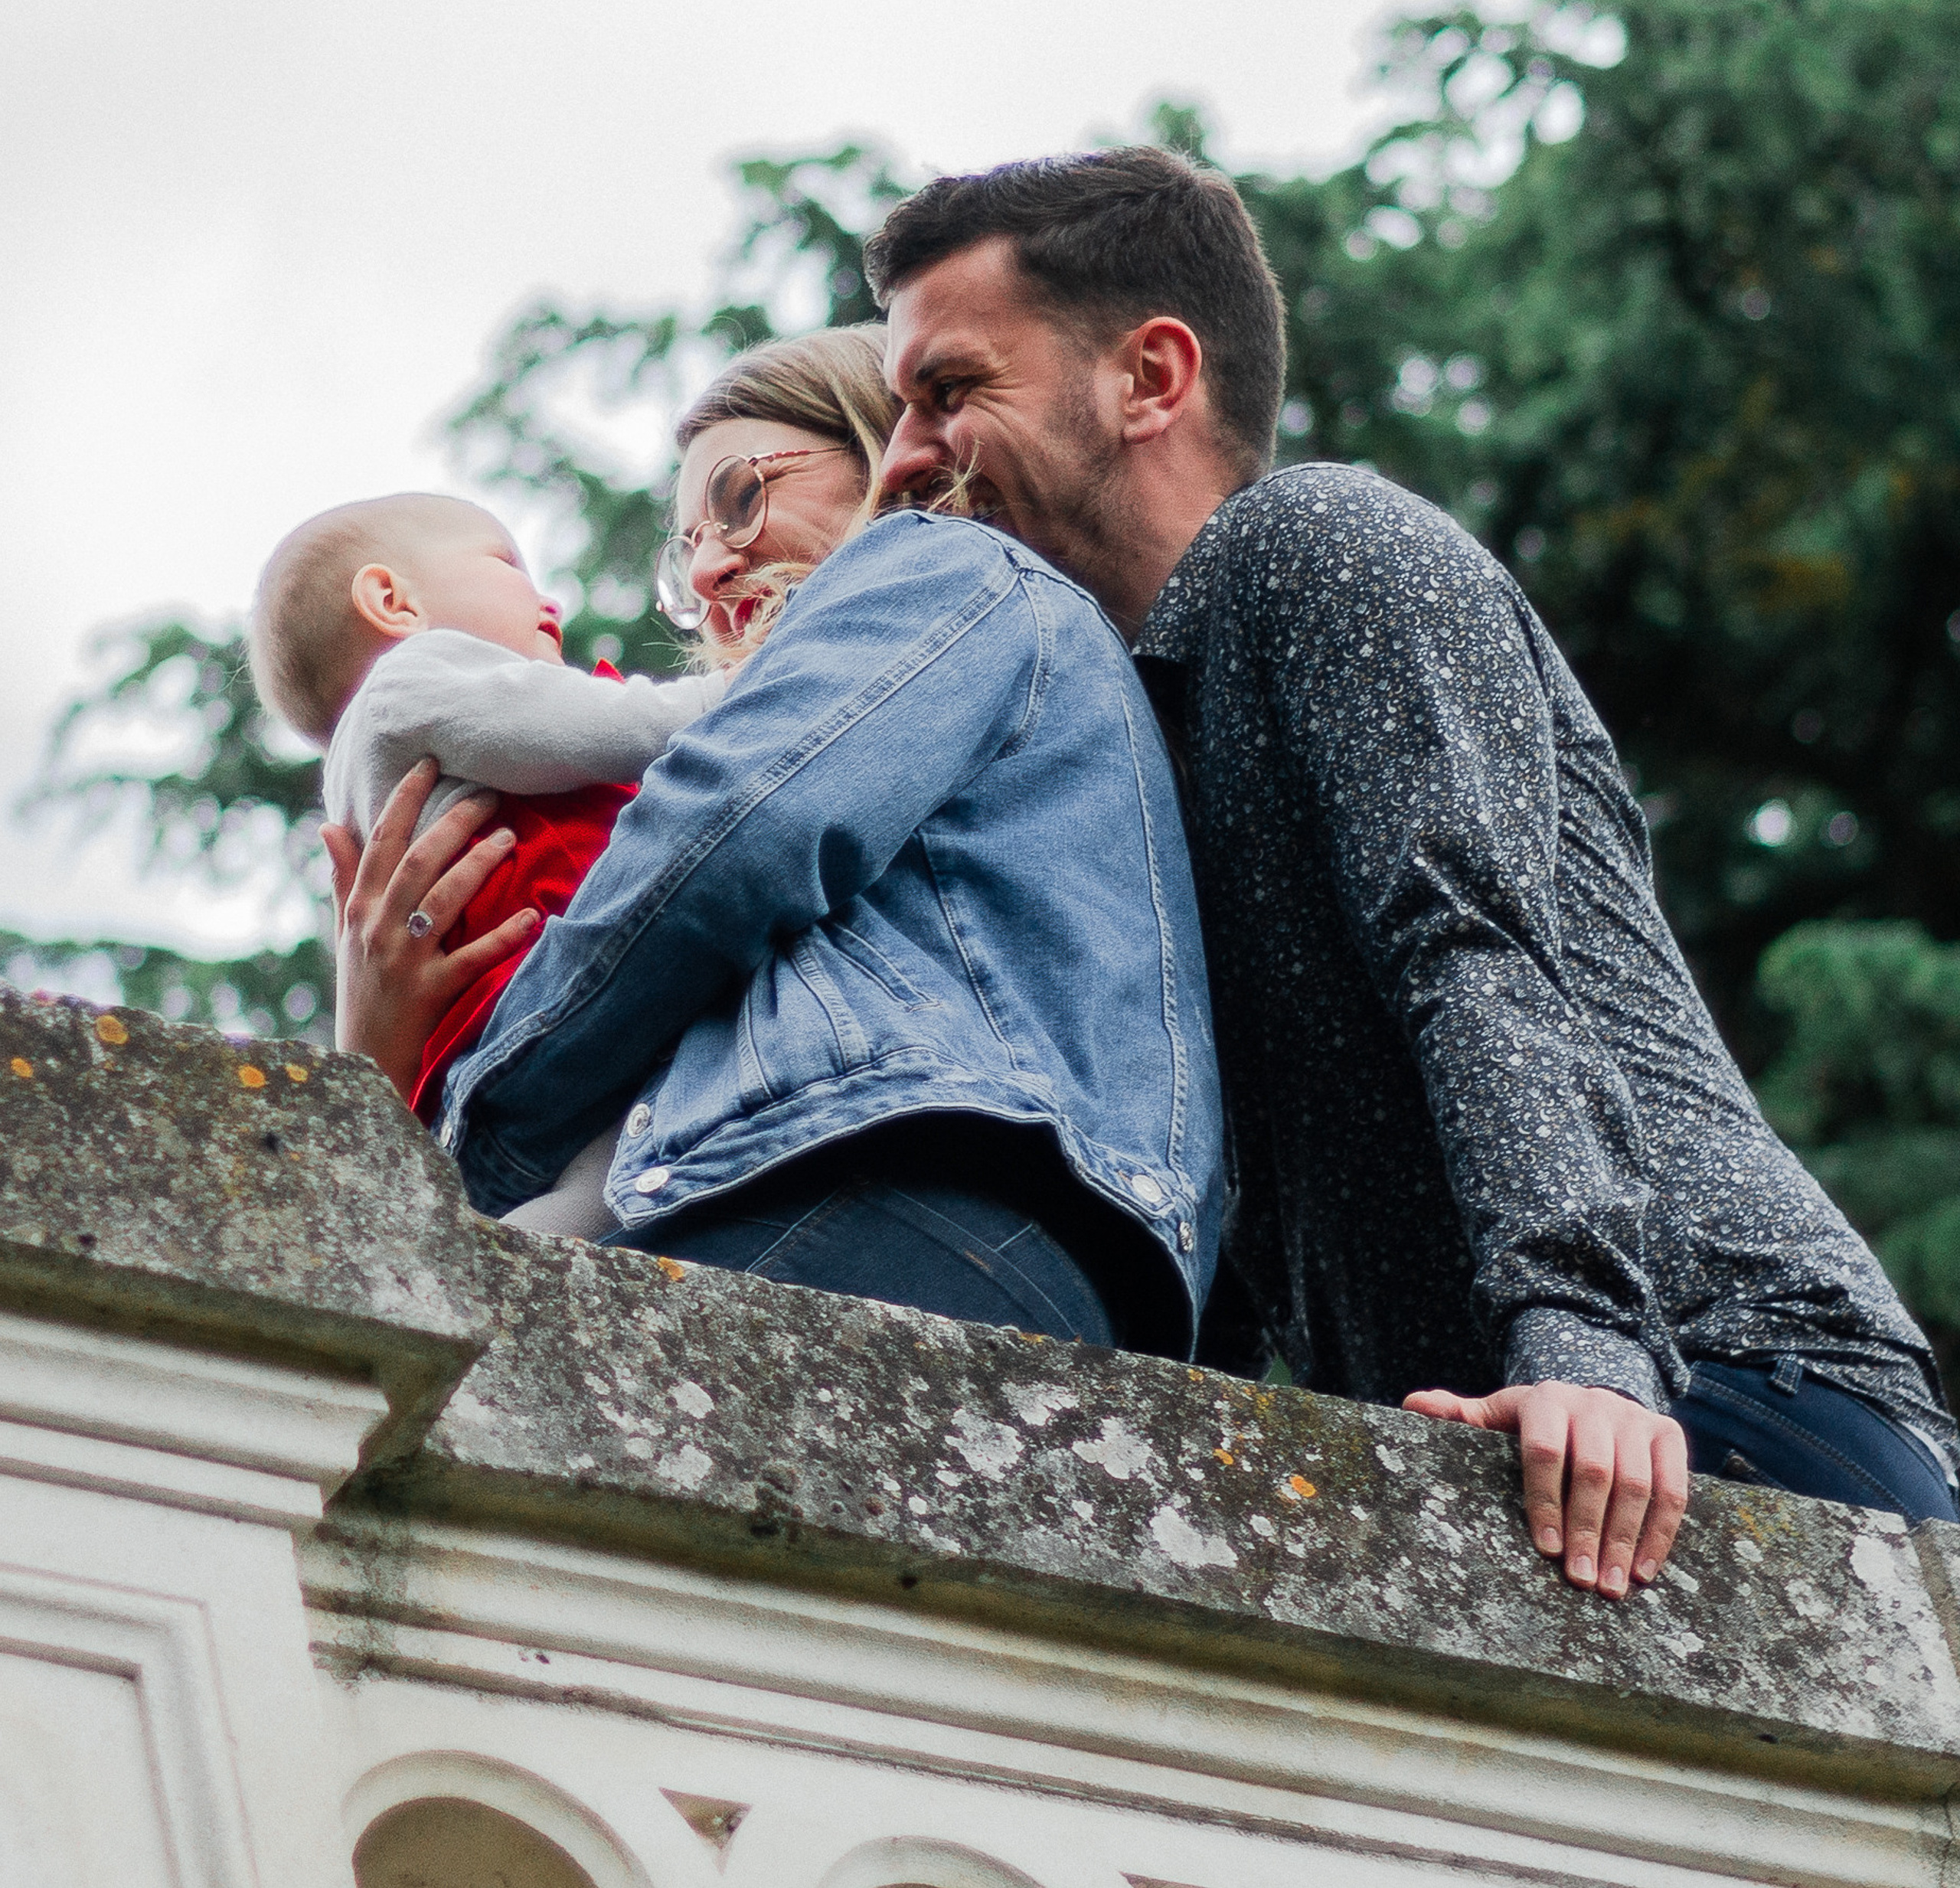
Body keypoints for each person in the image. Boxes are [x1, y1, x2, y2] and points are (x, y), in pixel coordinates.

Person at [864, 144, 1957, 1594]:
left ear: (1150, 378)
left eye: (951, 391)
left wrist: (1586, 1353)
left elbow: (1480, 948)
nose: (902, 464)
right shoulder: (1122, 744)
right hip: (1498, 1439)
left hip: (1708, 1390)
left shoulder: (1316, 546)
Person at [329, 325, 1223, 1356]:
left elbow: (732, 841)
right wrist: (381, 1053)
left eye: (739, 497)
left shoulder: (941, 563)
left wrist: (464, 1122)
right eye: (684, 552)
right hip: (1021, 1250)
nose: (708, 569)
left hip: (879, 1196)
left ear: (886, 450)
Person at [253, 492, 720, 1168]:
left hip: (506, 1056)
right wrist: (737, 692)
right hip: (548, 1013)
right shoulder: (405, 686)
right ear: (393, 602)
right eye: (509, 566)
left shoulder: (375, 764)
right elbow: (616, 726)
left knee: (590, 1194)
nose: (548, 602)